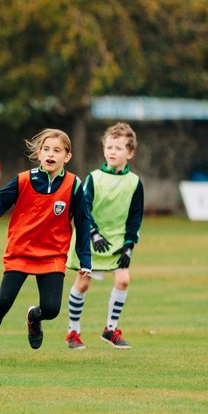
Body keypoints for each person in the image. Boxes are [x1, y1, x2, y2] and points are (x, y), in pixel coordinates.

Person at [0, 129, 91, 366]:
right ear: (39, 154)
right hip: (21, 251)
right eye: (46, 149)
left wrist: (86, 261)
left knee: (52, 309)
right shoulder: (24, 179)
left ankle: (34, 316)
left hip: (52, 255)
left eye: (57, 150)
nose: (50, 154)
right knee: (3, 300)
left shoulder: (74, 185)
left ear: (67, 156)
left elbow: (83, 224)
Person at [64, 122, 143, 350]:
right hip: (91, 238)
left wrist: (129, 245)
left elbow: (135, 217)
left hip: (117, 240)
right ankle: (73, 331)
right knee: (83, 282)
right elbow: (83, 210)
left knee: (123, 279)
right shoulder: (94, 178)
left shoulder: (135, 183)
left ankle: (110, 329)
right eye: (109, 147)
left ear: (130, 152)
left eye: (118, 148)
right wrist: (93, 233)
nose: (112, 152)